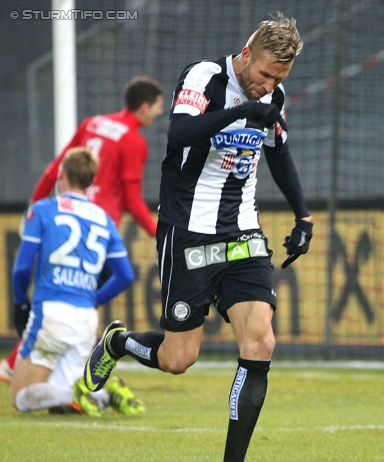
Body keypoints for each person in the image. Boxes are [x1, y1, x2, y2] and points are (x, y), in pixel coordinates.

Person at [84, 13, 312, 461]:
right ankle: (118, 342)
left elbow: (279, 153)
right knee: (177, 359)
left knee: (261, 341)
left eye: (278, 79)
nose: (269, 86)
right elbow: (178, 134)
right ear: (247, 56)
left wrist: (303, 218)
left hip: (242, 231)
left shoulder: (274, 95)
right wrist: (242, 110)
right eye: (265, 74)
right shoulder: (203, 77)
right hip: (188, 231)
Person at [0, 76, 164, 385]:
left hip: (62, 221)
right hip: (95, 230)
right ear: (144, 107)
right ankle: (36, 364)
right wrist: (159, 234)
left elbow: (55, 168)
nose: (158, 113)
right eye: (156, 107)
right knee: (83, 297)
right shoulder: (134, 141)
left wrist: (34, 206)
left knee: (63, 295)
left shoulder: (92, 123)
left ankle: (24, 362)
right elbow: (131, 198)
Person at [10, 147, 143, 417]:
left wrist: (19, 302)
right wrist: (94, 299)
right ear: (90, 181)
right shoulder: (103, 219)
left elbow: (22, 268)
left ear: (63, 174)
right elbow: (125, 275)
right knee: (62, 406)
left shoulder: (44, 210)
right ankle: (104, 395)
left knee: (20, 398)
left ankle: (91, 393)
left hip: (51, 313)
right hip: (84, 318)